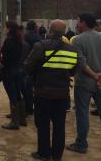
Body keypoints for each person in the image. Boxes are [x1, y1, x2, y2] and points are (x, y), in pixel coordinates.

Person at [25, 20, 81, 161]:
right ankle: (57, 155)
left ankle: (43, 153)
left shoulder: (40, 46)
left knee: (43, 124)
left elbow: (27, 66)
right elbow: (74, 70)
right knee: (59, 125)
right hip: (62, 94)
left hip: (42, 93)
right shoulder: (72, 50)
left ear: (50, 31)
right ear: (64, 33)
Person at [66, 13, 101, 154]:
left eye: (78, 21)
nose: (77, 24)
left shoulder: (77, 40)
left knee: (82, 114)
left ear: (84, 23)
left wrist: (95, 75)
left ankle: (81, 144)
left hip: (84, 83)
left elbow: (81, 62)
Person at [1, 21, 23, 130]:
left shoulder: (8, 41)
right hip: (18, 69)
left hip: (9, 71)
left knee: (12, 96)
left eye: (6, 28)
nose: (4, 30)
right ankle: (21, 118)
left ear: (9, 29)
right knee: (18, 94)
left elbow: (5, 58)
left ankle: (14, 122)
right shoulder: (19, 40)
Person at [24, 20, 42, 115]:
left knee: (27, 88)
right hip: (38, 65)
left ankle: (28, 108)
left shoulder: (25, 37)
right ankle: (36, 107)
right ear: (35, 28)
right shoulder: (39, 38)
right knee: (37, 88)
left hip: (27, 65)